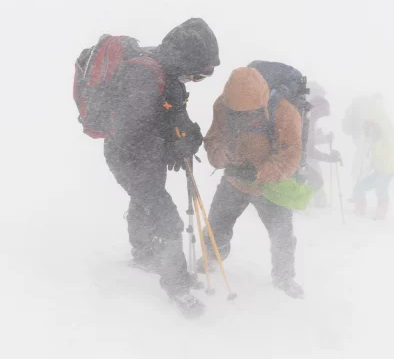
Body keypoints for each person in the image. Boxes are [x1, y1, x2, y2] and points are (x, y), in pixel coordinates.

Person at [103, 18, 220, 316]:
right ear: (185, 59)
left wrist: (188, 134)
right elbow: (130, 131)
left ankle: (143, 253)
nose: (194, 80)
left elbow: (172, 114)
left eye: (201, 78)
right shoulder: (144, 74)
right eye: (197, 74)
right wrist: (170, 144)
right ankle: (176, 285)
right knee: (167, 219)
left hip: (147, 156)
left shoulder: (170, 74)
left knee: (145, 202)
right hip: (128, 157)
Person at [201, 67, 305, 299]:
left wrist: (259, 172)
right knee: (216, 227)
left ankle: (284, 277)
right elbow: (214, 137)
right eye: (236, 112)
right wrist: (218, 156)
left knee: (282, 236)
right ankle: (213, 257)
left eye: (248, 113)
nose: (241, 117)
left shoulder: (285, 112)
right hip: (234, 180)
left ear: (262, 100)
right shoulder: (223, 105)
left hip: (270, 186)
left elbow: (290, 156)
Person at [346, 94, 394, 220]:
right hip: (379, 168)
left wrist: (377, 135)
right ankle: (360, 208)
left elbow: (390, 141)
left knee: (380, 189)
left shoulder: (384, 126)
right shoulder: (375, 130)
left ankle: (380, 213)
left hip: (387, 169)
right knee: (360, 187)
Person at [305, 95, 341, 207]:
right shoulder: (307, 121)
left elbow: (309, 141)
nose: (320, 117)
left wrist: (324, 139)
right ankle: (308, 203)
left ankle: (318, 202)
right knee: (315, 179)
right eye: (321, 114)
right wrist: (328, 158)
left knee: (316, 176)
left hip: (300, 156)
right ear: (316, 111)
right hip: (301, 157)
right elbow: (309, 149)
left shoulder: (307, 119)